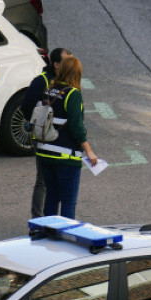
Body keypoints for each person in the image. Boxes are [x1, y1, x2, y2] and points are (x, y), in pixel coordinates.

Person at [34, 57, 98, 218]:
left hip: (45, 153)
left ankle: (48, 234)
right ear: (77, 73)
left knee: (51, 198)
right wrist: (89, 151)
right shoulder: (73, 94)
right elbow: (77, 127)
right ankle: (64, 238)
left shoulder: (49, 90)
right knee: (68, 202)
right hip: (66, 156)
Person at [22, 48, 73, 218]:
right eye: (67, 61)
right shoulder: (41, 81)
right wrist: (40, 124)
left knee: (56, 180)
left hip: (60, 139)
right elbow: (26, 106)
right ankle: (38, 221)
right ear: (56, 64)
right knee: (43, 180)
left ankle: (50, 220)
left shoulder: (68, 81)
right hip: (44, 136)